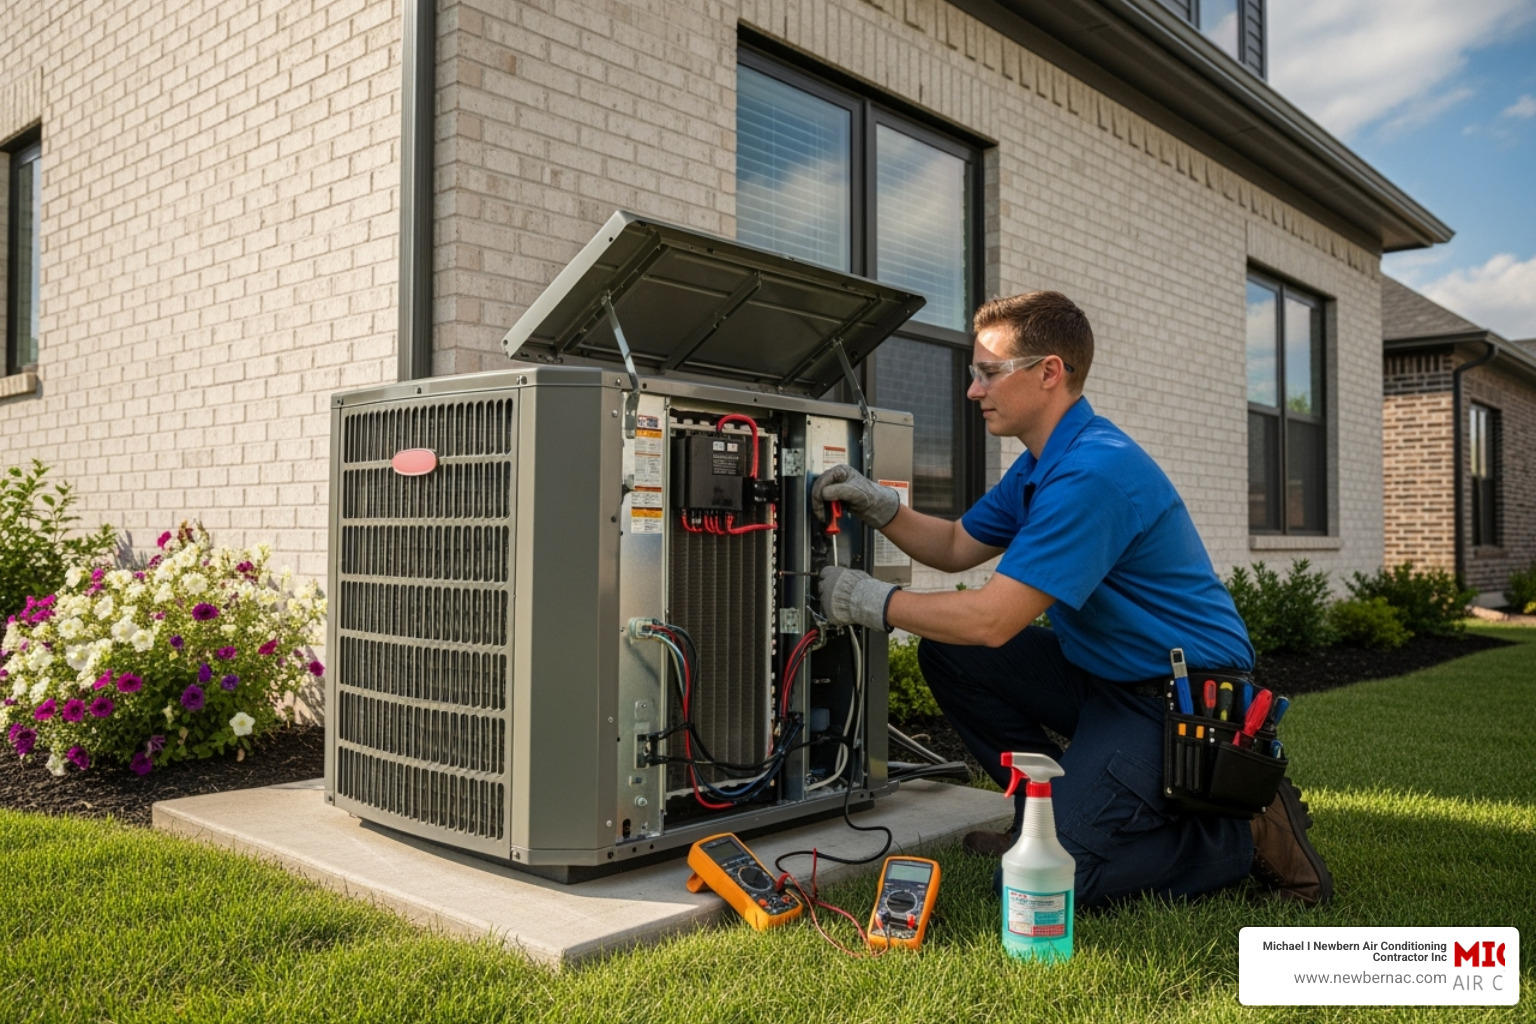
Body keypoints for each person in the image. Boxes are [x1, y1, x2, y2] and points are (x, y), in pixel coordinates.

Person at [812, 290, 1332, 907]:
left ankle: (1235, 834)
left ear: (1049, 372)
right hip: (1104, 677)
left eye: (988, 373)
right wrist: (882, 507)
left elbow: (992, 620)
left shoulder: (1092, 474)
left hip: (1181, 702)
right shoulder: (1040, 465)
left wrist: (870, 600)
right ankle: (1040, 816)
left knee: (1045, 880)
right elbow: (955, 544)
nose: (973, 390)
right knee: (950, 657)